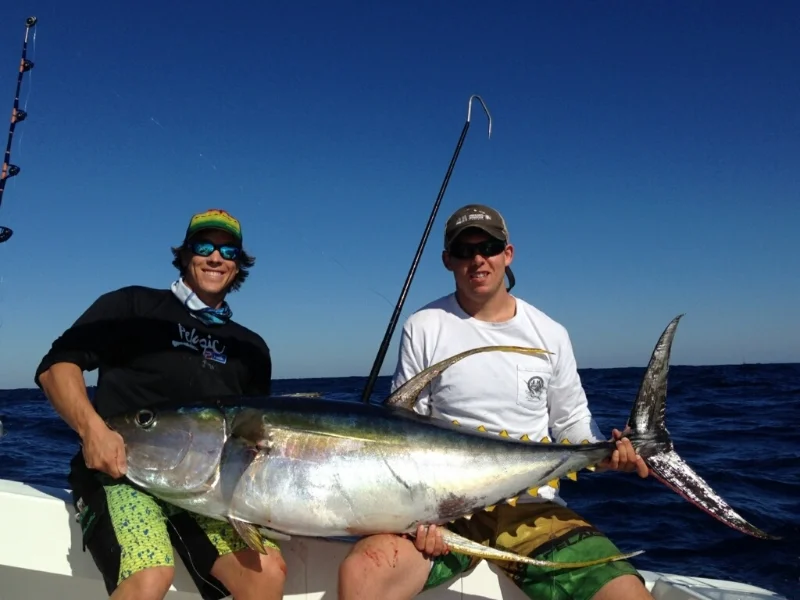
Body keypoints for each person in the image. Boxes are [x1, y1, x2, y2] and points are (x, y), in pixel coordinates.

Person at [338, 204, 653, 600]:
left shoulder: (549, 334)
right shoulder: (424, 326)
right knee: (362, 574)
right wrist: (418, 517)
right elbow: (404, 433)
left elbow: (572, 424)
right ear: (447, 260)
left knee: (628, 595)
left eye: (488, 246)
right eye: (464, 250)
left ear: (508, 253)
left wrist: (610, 452)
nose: (477, 259)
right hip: (443, 510)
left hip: (531, 507)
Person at [34, 208, 286, 600]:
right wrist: (93, 430)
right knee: (149, 572)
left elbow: (255, 437)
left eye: (228, 251)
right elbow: (56, 368)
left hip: (205, 490)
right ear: (185, 255)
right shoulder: (133, 306)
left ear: (239, 265)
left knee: (266, 572)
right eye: (204, 246)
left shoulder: (251, 348)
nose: (215, 258)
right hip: (121, 475)